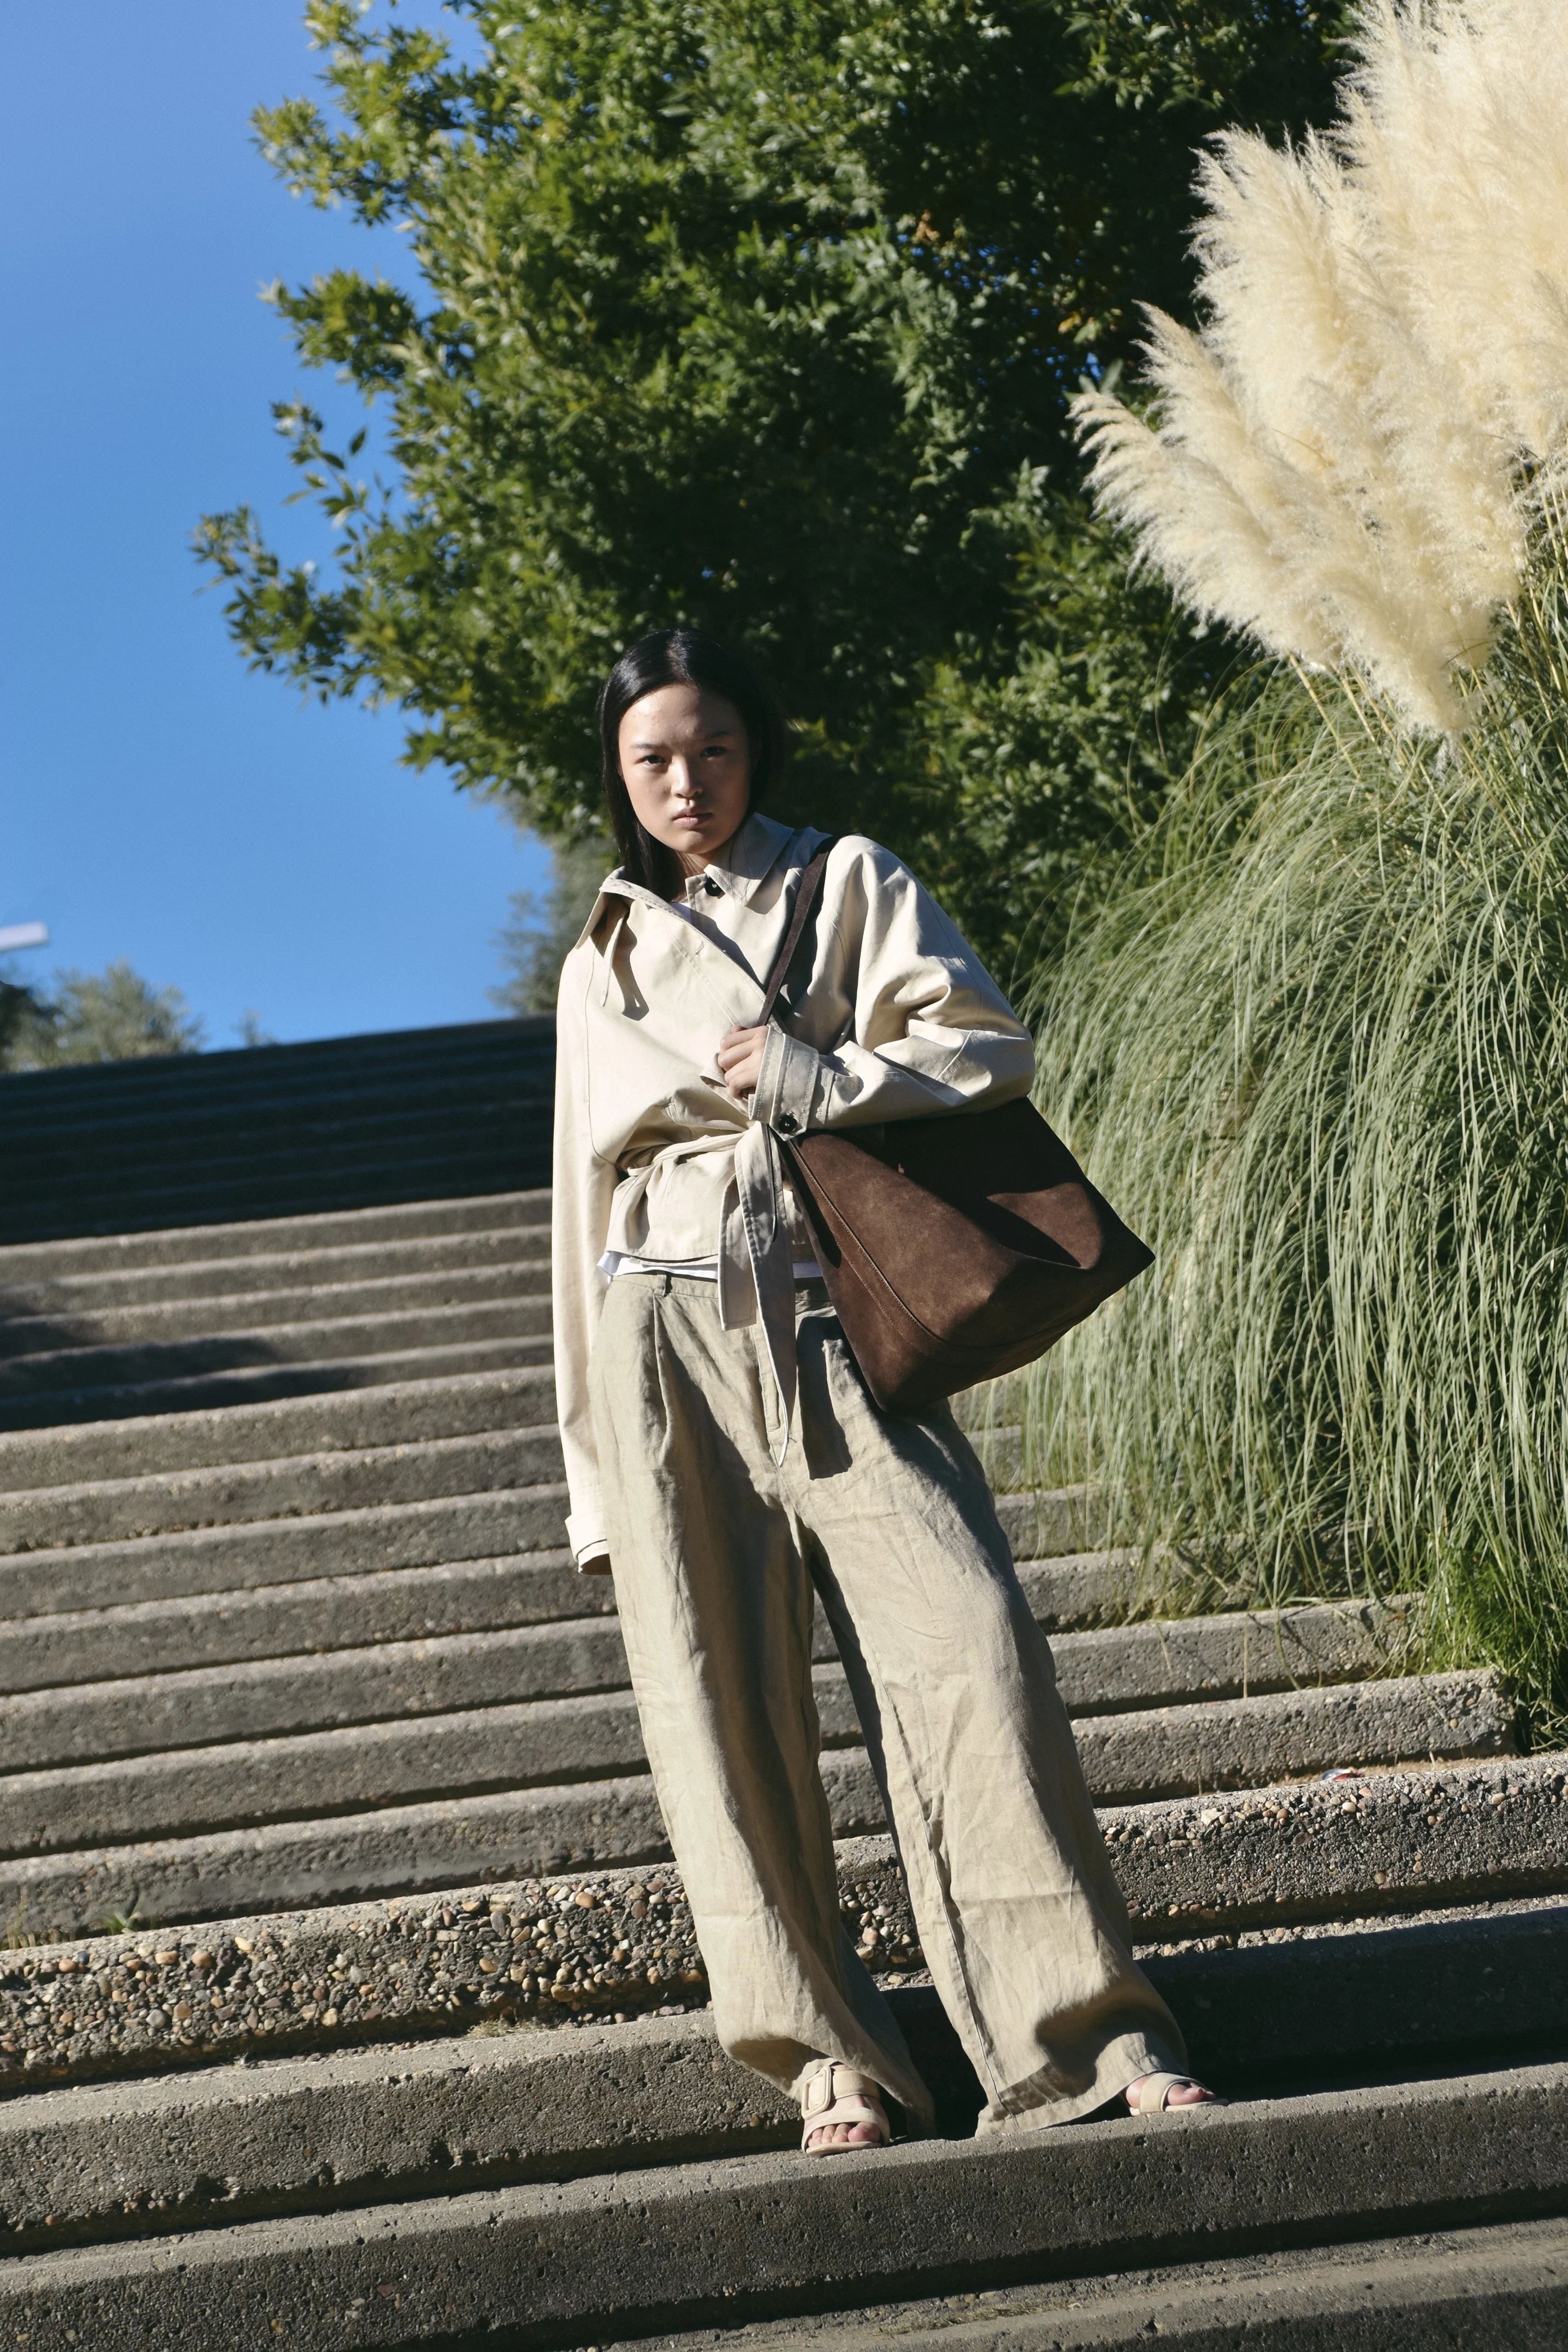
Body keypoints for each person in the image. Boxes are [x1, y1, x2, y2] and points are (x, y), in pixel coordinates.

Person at [551, 627, 1215, 2152]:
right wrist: (593, 1473)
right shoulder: (601, 960)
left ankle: (1086, 2042)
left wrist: (815, 1078)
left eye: (714, 748)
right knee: (715, 1713)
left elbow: (985, 1045)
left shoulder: (846, 877)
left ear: (755, 747)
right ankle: (830, 2063)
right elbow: (580, 1218)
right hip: (660, 1330)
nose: (687, 781)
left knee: (971, 1646)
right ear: (619, 773)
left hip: (825, 1307)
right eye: (654, 757)